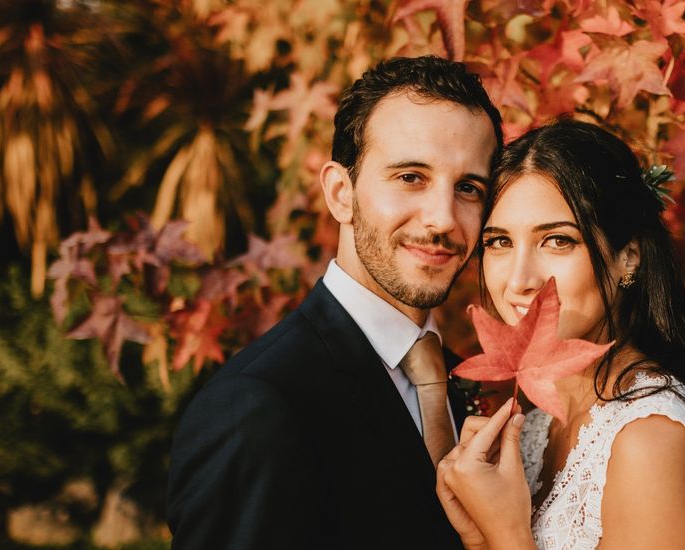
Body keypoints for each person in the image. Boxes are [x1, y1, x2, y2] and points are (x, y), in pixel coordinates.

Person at [166, 55, 502, 549]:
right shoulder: (257, 405)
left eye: (469, 188)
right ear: (341, 193)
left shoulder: (467, 383)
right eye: (411, 176)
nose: (442, 219)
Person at [436, 119, 685, 549]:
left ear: (627, 258)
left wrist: (507, 534)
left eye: (557, 240)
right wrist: (480, 539)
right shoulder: (536, 428)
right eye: (499, 242)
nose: (519, 280)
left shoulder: (648, 443)